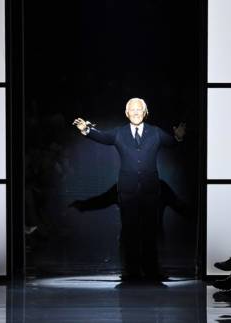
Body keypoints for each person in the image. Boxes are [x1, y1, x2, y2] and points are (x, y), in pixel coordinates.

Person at [72, 98, 186, 281]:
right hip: (127, 190)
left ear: (145, 112)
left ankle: (151, 270)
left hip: (150, 190)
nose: (135, 112)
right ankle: (131, 271)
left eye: (138, 110)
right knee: (130, 231)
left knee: (150, 232)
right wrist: (86, 130)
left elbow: (171, 142)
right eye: (131, 110)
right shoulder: (119, 133)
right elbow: (102, 136)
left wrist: (179, 137)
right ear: (126, 113)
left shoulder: (155, 132)